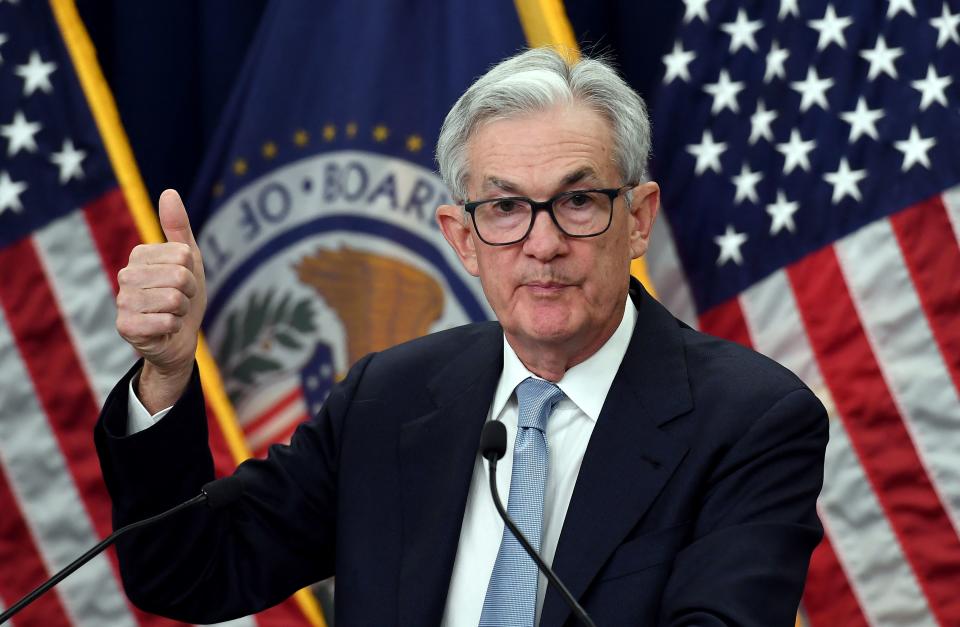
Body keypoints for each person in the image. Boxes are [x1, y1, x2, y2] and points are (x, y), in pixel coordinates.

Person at [96, 48, 827, 627]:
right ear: (463, 237)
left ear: (637, 218)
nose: (542, 244)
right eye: (505, 207)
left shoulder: (751, 422)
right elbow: (189, 566)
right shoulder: (390, 398)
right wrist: (164, 373)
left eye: (577, 200)